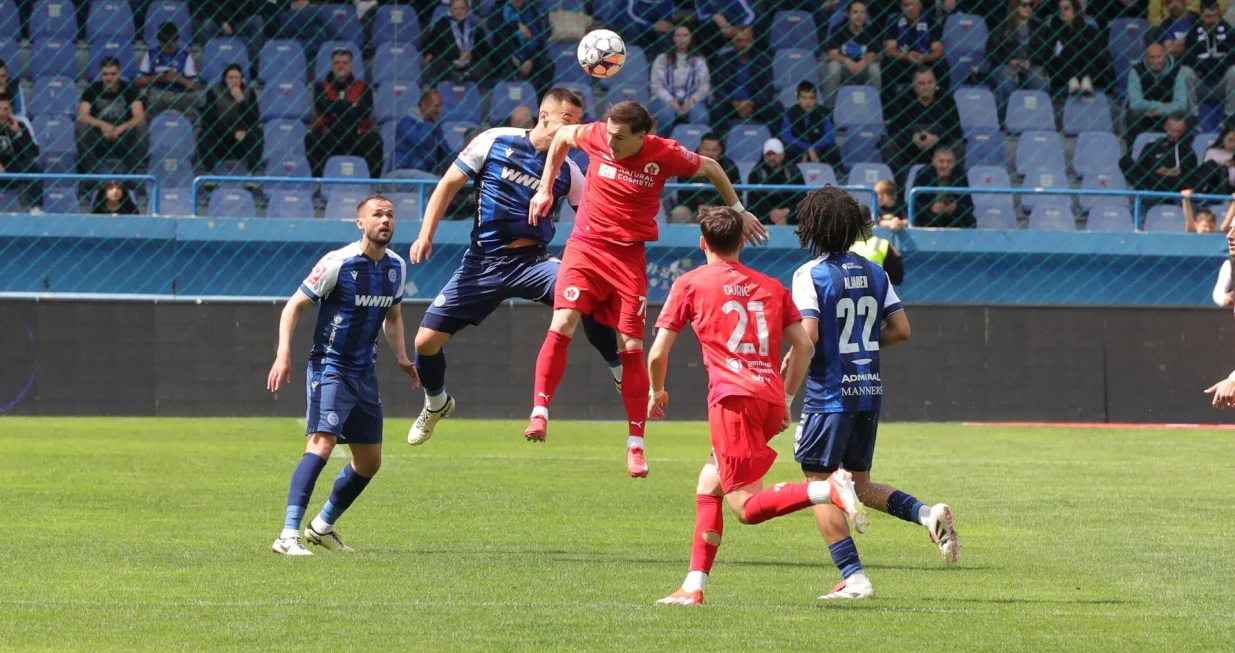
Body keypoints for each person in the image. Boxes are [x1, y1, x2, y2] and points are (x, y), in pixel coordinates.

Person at [523, 100, 769, 477]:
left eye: (620, 138)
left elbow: (712, 167)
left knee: (632, 346)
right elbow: (559, 138)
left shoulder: (665, 154)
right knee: (564, 322)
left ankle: (635, 445)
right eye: (608, 134)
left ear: (642, 137)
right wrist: (544, 189)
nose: (610, 142)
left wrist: (737, 208)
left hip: (627, 258)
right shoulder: (594, 135)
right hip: (585, 248)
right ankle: (540, 412)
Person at [646, 205, 870, 605]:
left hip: (733, 401)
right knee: (709, 483)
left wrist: (656, 391)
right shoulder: (771, 285)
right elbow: (802, 343)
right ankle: (693, 585)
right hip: (768, 398)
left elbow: (657, 354)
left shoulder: (690, 283)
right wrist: (784, 398)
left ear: (703, 243)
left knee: (746, 508)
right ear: (742, 243)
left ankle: (824, 489)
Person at [405, 89, 622, 445]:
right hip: (482, 263)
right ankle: (436, 404)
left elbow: (592, 218)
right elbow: (448, 184)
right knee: (425, 342)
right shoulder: (495, 140)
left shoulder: (569, 171)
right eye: (568, 120)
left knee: (588, 295)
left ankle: (619, 371)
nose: (573, 129)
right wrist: (425, 234)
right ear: (545, 115)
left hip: (532, 262)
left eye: (578, 123)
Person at [788, 187, 958, 588]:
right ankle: (925, 514)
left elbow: (807, 336)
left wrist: (785, 388)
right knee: (859, 485)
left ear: (812, 227)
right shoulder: (875, 272)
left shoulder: (809, 274)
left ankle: (853, 578)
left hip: (828, 394)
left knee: (819, 484)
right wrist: (863, 341)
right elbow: (901, 330)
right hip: (867, 391)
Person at [265, 195, 419, 556]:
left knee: (369, 462)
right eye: (377, 215)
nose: (385, 220)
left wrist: (401, 356)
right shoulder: (339, 263)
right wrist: (283, 352)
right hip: (330, 367)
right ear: (360, 223)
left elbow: (393, 316)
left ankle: (321, 527)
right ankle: (287, 535)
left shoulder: (396, 267)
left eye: (390, 215)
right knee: (322, 443)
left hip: (365, 372)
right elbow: (293, 306)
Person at [306, 49, 383, 178]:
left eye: (345, 63)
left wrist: (334, 106)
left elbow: (364, 112)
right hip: (330, 134)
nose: (341, 66)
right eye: (337, 63)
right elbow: (323, 107)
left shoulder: (363, 88)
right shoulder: (321, 87)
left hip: (356, 135)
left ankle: (373, 184)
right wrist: (351, 106)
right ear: (332, 66)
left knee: (374, 140)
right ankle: (317, 183)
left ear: (351, 67)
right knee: (312, 139)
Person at [76, 57, 147, 176]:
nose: (109, 78)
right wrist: (103, 125)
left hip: (123, 135)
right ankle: (91, 174)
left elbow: (140, 117)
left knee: (142, 128)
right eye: (105, 74)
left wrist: (120, 129)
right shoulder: (92, 89)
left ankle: (132, 174)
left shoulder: (130, 89)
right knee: (80, 127)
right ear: (101, 74)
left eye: (113, 74)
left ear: (119, 73)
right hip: (98, 135)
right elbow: (82, 116)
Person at [887, 67, 961, 179]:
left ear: (935, 82)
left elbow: (956, 130)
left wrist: (938, 138)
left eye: (930, 82)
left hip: (939, 146)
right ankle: (898, 189)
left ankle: (952, 187)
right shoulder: (902, 99)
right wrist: (912, 137)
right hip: (909, 147)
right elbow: (893, 129)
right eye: (922, 83)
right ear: (914, 85)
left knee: (959, 146)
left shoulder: (946, 99)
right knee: (889, 145)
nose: (927, 87)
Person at [199, 64, 263, 173]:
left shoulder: (249, 93)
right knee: (204, 135)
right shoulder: (213, 92)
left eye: (237, 78)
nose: (234, 81)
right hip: (220, 139)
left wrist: (241, 101)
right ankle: (210, 173)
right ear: (225, 79)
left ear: (242, 79)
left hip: (241, 140)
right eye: (231, 78)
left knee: (258, 133)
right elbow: (209, 120)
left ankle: (252, 172)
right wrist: (233, 131)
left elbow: (254, 119)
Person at [987, 0, 1048, 113]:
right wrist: (1010, 60)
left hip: (1031, 65)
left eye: (1031, 5)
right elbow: (992, 52)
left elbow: (1044, 51)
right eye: (1024, 4)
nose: (1028, 8)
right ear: (1015, 6)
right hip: (1007, 64)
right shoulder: (1003, 27)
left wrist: (1031, 61)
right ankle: (1003, 119)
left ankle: (1037, 117)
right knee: (1007, 78)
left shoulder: (1039, 26)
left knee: (1039, 79)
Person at [882, 0, 946, 106]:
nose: (909, 8)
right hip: (903, 60)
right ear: (901, 7)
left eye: (912, 4)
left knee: (943, 66)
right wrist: (906, 56)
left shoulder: (930, 21)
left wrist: (924, 57)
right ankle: (889, 110)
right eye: (905, 5)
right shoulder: (894, 21)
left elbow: (938, 50)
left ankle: (942, 105)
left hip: (925, 61)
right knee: (887, 65)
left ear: (920, 5)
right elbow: (890, 50)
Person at [649, 25, 712, 130]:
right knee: (665, 115)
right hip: (665, 99)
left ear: (691, 38)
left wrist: (691, 101)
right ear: (673, 38)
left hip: (691, 99)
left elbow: (704, 86)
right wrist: (672, 102)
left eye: (685, 35)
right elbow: (656, 86)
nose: (681, 39)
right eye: (678, 35)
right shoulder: (662, 59)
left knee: (701, 117)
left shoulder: (699, 60)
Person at [1041, 0, 1109, 96]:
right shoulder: (1054, 30)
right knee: (1063, 51)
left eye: (1066, 8)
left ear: (1075, 9)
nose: (1062, 11)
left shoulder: (1089, 30)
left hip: (1087, 69)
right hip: (1063, 72)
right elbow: (1051, 55)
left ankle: (1086, 78)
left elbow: (1097, 54)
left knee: (1089, 47)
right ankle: (1073, 79)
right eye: (1059, 9)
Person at [711, 27, 775, 127]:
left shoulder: (763, 60)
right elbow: (718, 88)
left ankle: (773, 141)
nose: (743, 45)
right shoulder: (723, 60)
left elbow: (768, 89)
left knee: (775, 107)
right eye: (739, 41)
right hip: (730, 105)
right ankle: (719, 141)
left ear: (753, 41)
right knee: (716, 107)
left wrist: (751, 103)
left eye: (747, 41)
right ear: (733, 41)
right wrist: (735, 103)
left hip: (755, 105)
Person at [823, 0, 882, 108]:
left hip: (863, 68)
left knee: (874, 69)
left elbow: (872, 53)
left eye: (863, 12)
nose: (859, 16)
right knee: (833, 66)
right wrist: (848, 61)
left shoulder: (871, 30)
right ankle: (828, 108)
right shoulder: (838, 29)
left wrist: (862, 63)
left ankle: (873, 107)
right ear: (848, 14)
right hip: (845, 68)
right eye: (855, 12)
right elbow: (832, 54)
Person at [135, 22, 200, 118]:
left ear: (176, 40)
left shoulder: (185, 56)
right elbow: (138, 82)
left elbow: (195, 86)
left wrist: (177, 78)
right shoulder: (150, 54)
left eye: (171, 45)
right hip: (157, 94)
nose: (168, 49)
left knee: (191, 111)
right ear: (160, 41)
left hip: (179, 94)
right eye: (166, 45)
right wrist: (156, 78)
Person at [1183, 1, 1235, 117]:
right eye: (1207, 16)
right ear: (1201, 15)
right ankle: (1191, 118)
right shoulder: (1193, 33)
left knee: (1234, 71)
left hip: (1222, 85)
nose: (1211, 20)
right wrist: (1218, 64)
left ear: (1219, 15)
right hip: (1201, 86)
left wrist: (1204, 67)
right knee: (1185, 72)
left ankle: (1230, 118)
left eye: (1215, 16)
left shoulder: (1230, 32)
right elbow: (1187, 60)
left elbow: (1233, 58)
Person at [1128, 44, 1191, 138]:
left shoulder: (1177, 71)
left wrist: (1161, 111)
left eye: (1159, 57)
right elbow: (1135, 103)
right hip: (1146, 113)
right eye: (1152, 57)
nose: (1156, 61)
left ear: (1165, 56)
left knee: (1184, 115)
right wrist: (1161, 105)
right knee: (1133, 113)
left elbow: (1181, 104)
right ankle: (1134, 150)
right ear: (1146, 58)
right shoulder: (1136, 70)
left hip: (1169, 113)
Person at [1126, 113, 1197, 194]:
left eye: (1179, 131)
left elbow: (1188, 174)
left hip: (1175, 185)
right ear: (1165, 126)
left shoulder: (1187, 150)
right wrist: (1160, 171)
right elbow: (1140, 169)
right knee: (1125, 161)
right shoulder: (1152, 145)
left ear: (1184, 130)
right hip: (1152, 182)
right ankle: (1146, 194)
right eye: (1172, 130)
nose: (1175, 135)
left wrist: (1166, 172)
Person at [423, 0, 488, 85]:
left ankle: (464, 76)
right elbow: (431, 45)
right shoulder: (442, 24)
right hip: (450, 63)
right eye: (455, 8)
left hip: (469, 64)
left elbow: (484, 50)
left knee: (486, 64)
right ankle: (461, 77)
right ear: (450, 10)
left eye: (462, 8)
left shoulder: (474, 26)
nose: (459, 11)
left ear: (468, 10)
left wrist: (471, 54)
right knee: (439, 63)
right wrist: (458, 54)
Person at [675, 132, 741, 216]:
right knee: (679, 212)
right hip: (695, 210)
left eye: (714, 150)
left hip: (721, 211)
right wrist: (697, 206)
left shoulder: (730, 167)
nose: (710, 154)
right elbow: (682, 196)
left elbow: (737, 194)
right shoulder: (688, 165)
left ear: (720, 150)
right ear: (699, 148)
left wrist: (716, 207)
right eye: (706, 150)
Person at [747, 138, 806, 225]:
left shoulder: (793, 171)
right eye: (768, 155)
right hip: (764, 215)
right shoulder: (756, 173)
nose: (771, 158)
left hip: (789, 213)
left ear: (782, 155)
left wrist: (787, 212)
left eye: (774, 154)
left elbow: (801, 198)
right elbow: (753, 200)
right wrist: (770, 213)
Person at [0, 93, 42, 212]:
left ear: (11, 110)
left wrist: (18, 133)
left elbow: (34, 152)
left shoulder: (20, 125)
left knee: (36, 167)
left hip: (12, 166)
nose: (2, 113)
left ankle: (36, 208)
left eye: (5, 109)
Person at [913, 147, 975, 228]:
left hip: (954, 218)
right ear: (934, 162)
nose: (945, 165)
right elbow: (916, 203)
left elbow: (968, 205)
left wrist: (955, 208)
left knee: (970, 220)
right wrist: (931, 208)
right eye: (941, 161)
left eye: (949, 162)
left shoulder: (959, 174)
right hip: (928, 217)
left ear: (954, 163)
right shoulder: (923, 174)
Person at [779, 82, 838, 164]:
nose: (808, 102)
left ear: (816, 99)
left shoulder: (823, 113)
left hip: (819, 149)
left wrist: (813, 148)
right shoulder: (790, 113)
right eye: (804, 98)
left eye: (811, 98)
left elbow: (830, 136)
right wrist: (807, 148)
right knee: (788, 149)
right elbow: (786, 137)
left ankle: (832, 174)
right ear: (797, 99)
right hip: (798, 149)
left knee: (833, 150)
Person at [395, 89, 449, 173]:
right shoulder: (405, 123)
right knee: (436, 183)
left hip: (424, 174)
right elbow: (420, 140)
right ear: (423, 105)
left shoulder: (434, 125)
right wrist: (429, 123)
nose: (439, 111)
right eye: (436, 106)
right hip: (401, 172)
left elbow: (445, 151)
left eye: (440, 106)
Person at [852, 206, 905, 284]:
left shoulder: (840, 246)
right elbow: (897, 279)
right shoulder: (882, 244)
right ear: (870, 221)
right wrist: (897, 256)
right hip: (876, 293)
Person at [1200, 126, 1235, 192]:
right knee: (1222, 170)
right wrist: (1223, 165)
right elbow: (1206, 171)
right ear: (1223, 138)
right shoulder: (1212, 152)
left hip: (1232, 188)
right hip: (1214, 186)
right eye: (1230, 140)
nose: (1233, 144)